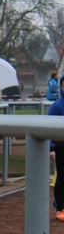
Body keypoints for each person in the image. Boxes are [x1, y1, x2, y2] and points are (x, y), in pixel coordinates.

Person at [49, 88, 64, 220]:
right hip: (61, 147)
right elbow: (49, 127)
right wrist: (52, 148)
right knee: (62, 177)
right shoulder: (57, 106)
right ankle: (60, 208)